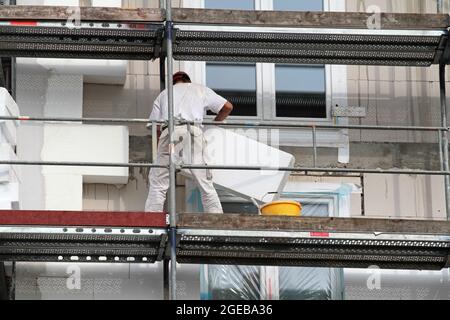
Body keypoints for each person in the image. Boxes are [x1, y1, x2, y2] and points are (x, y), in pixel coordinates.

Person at [145, 71, 234, 214]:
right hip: (193, 132)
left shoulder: (163, 94)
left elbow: (156, 128)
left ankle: (151, 218)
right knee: (203, 180)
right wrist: (214, 124)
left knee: (158, 181)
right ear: (188, 81)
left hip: (170, 133)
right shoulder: (199, 89)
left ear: (173, 83)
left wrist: (161, 155)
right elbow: (228, 107)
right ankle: (216, 216)